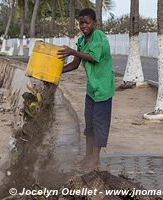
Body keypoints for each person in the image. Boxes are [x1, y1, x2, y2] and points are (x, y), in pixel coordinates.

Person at [57, 8, 115, 171]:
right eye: (81, 23)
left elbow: (93, 57)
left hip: (103, 89)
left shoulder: (99, 37)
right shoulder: (82, 40)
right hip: (92, 90)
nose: (84, 26)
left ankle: (95, 160)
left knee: (99, 124)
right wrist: (54, 72)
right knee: (89, 125)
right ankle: (87, 157)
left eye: (87, 23)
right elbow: (75, 64)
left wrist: (72, 51)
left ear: (94, 23)